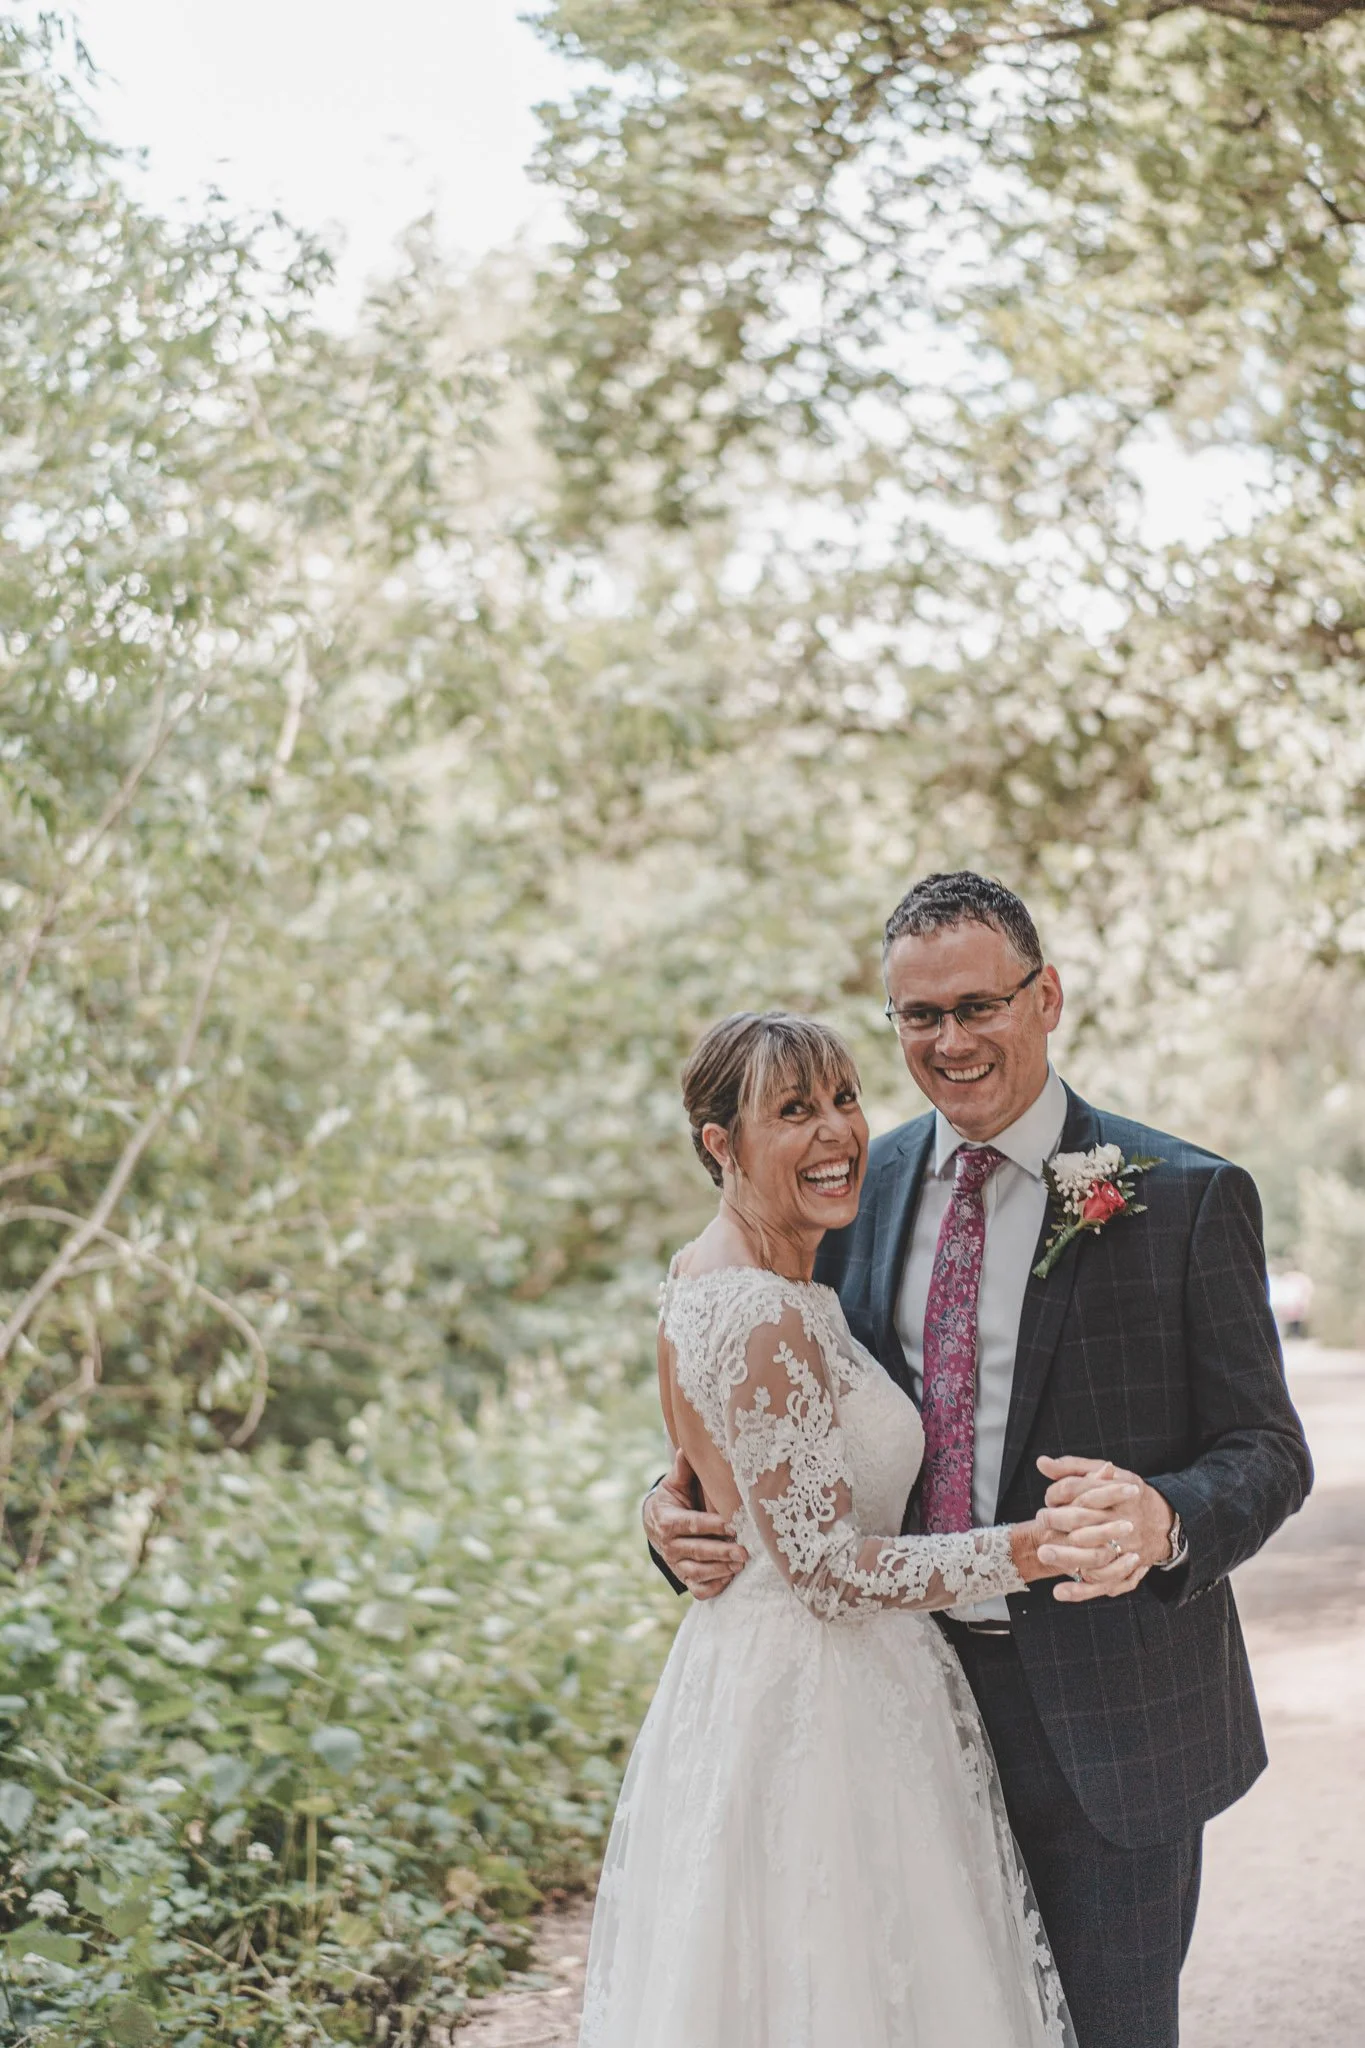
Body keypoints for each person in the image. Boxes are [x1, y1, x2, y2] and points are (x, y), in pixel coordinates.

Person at [645, 874, 1313, 2048]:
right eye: (918, 1016)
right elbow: (762, 1399)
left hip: (1114, 1720)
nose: (949, 1041)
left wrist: (1165, 1517)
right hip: (893, 1713)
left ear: (1044, 996)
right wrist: (669, 1504)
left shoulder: (1183, 1195)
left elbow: (1270, 1448)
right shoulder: (856, 1181)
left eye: (978, 1005)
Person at [582, 1009, 1142, 2048]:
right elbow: (830, 1573)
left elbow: (702, 1481)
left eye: (843, 1096)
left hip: (756, 1681)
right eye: (793, 1109)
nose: (839, 1130)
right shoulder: (767, 1312)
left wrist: (665, 1506)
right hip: (820, 1702)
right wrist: (1033, 1545)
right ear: (721, 1144)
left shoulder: (711, 1273)